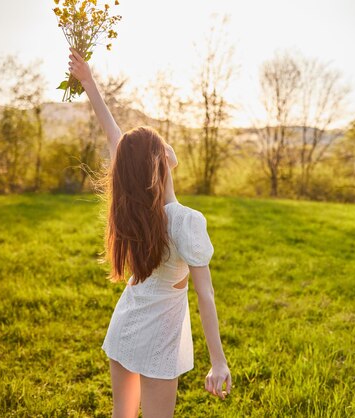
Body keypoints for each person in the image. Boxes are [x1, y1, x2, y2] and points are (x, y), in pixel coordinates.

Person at [67, 47, 232, 418]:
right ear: (159, 163)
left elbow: (119, 142)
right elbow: (205, 295)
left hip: (125, 325)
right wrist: (218, 362)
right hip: (159, 340)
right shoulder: (187, 221)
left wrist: (89, 82)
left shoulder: (135, 210)